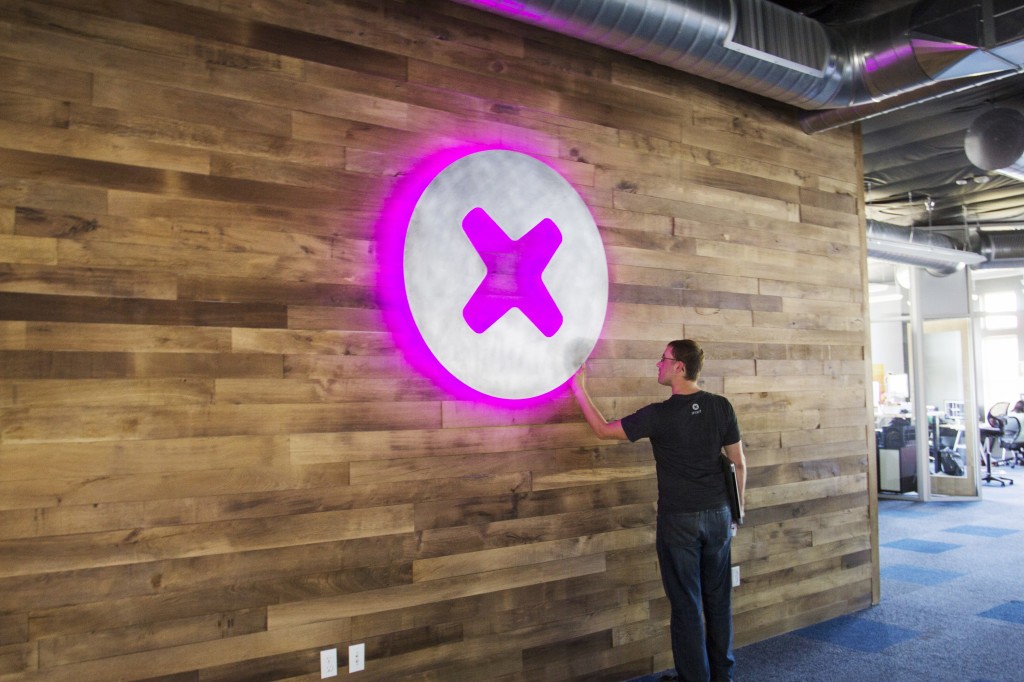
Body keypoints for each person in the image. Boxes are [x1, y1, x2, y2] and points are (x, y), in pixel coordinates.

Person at [570, 339, 746, 682]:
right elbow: (739, 464)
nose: (658, 364)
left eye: (663, 359)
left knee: (687, 606)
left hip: (679, 521)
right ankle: (721, 677)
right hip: (719, 516)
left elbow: (603, 430)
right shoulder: (721, 406)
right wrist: (736, 514)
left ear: (680, 366)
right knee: (718, 601)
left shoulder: (659, 415)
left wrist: (579, 389)